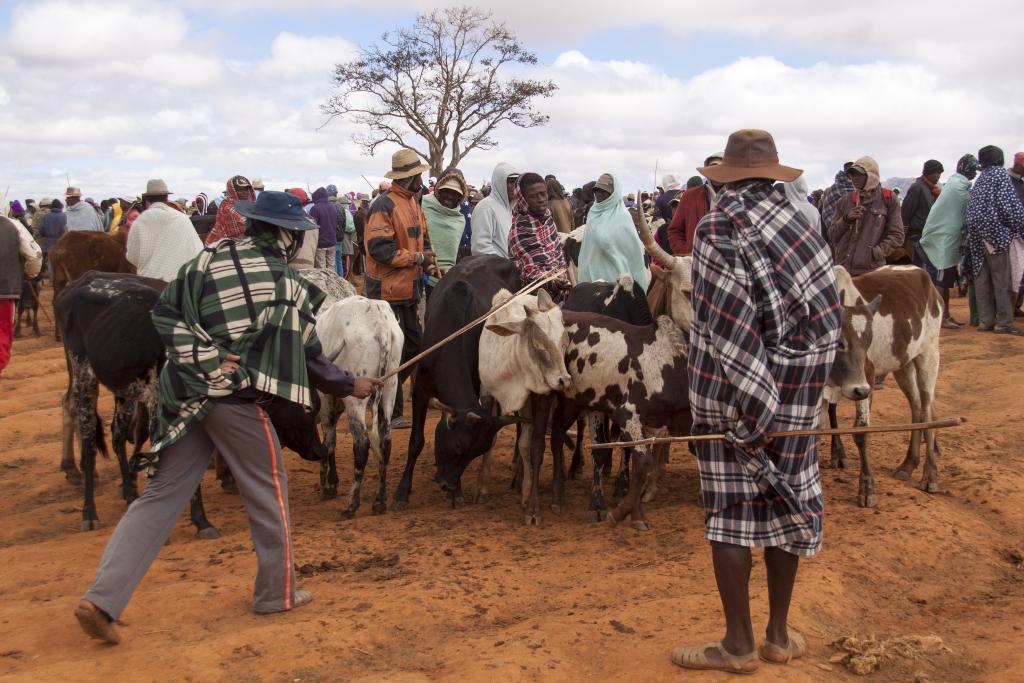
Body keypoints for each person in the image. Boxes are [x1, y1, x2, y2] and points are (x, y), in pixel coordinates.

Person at [73, 191, 380, 645]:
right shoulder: (287, 285)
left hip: (184, 394)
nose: (299, 241)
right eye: (296, 234)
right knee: (270, 490)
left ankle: (101, 598)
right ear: (284, 234)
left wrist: (204, 357)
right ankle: (276, 592)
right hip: (234, 401)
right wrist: (349, 384)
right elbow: (308, 354)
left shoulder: (206, 259)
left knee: (160, 495)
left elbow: (164, 312)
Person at [672, 129, 840, 675]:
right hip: (798, 392)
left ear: (728, 177)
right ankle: (778, 635)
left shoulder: (718, 226)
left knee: (731, 516)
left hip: (734, 396)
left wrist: (755, 413)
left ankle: (739, 646)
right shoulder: (805, 221)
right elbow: (826, 316)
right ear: (773, 173)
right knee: (787, 503)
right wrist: (793, 399)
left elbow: (731, 329)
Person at [365, 149, 435, 428]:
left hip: (409, 289)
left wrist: (427, 259)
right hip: (386, 292)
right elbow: (380, 249)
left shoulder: (413, 203)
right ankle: (390, 412)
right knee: (394, 350)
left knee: (413, 347)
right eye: (419, 174)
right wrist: (417, 259)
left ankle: (383, 396)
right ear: (411, 177)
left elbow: (422, 238)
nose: (422, 179)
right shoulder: (384, 205)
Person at [964, 145, 1024, 335]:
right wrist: (1018, 226)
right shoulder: (1000, 175)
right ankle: (1004, 323)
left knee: (982, 278)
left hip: (975, 235)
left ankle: (986, 321)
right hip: (996, 235)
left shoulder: (980, 179)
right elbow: (1010, 208)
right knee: (1002, 279)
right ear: (1000, 159)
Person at [919, 155, 979, 329]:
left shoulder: (956, 185)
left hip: (945, 240)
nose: (975, 174)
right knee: (940, 281)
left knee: (945, 282)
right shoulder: (957, 187)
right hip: (940, 241)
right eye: (974, 170)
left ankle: (946, 315)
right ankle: (940, 317)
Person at [828, 156, 905, 275]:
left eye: (859, 174)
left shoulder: (888, 199)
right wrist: (846, 219)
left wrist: (876, 253)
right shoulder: (845, 201)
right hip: (843, 270)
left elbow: (897, 235)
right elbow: (832, 235)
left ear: (871, 175)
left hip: (871, 271)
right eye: (852, 175)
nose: (855, 178)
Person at [577, 173, 648, 289]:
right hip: (592, 281)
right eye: (597, 190)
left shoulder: (623, 217)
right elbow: (587, 250)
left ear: (614, 193)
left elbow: (633, 255)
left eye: (604, 191)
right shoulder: (593, 212)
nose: (599, 194)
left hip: (615, 282)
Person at [507, 172, 570, 301]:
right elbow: (531, 272)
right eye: (534, 196)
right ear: (523, 199)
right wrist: (553, 282)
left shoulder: (547, 218)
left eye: (543, 193)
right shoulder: (520, 229)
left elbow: (557, 256)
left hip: (561, 290)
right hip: (534, 300)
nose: (541, 199)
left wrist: (562, 278)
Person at [126, 179, 204, 282]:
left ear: (147, 200)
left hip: (149, 285)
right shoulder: (182, 218)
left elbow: (132, 256)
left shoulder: (139, 222)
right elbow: (198, 251)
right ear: (167, 199)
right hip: (181, 284)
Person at [0, 212, 42, 375]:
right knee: (2, 329)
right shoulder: (14, 225)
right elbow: (34, 256)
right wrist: (29, 275)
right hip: (4, 290)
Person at [421, 168, 469, 294]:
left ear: (461, 196)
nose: (450, 196)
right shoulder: (422, 205)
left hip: (446, 280)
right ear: (438, 190)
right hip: (420, 276)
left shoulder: (459, 220)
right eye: (446, 191)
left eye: (455, 193)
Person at [667, 153, 724, 256]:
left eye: (721, 168)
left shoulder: (737, 196)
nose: (716, 172)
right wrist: (686, 252)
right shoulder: (690, 196)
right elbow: (675, 230)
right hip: (694, 264)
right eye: (713, 167)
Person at [471, 162, 519, 257]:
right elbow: (480, 248)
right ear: (499, 183)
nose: (514, 186)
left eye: (516, 182)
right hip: (495, 269)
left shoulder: (511, 208)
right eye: (510, 181)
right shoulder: (485, 207)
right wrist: (506, 265)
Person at [902, 160, 944, 261]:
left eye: (940, 173)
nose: (938, 176)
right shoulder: (917, 187)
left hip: (927, 234)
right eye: (936, 173)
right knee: (920, 264)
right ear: (929, 172)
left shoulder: (932, 190)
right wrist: (903, 232)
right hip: (917, 235)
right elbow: (906, 210)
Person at [206, 176, 255, 244]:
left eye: (247, 189)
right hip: (230, 242)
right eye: (241, 189)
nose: (245, 192)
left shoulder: (250, 204)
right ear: (233, 191)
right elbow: (243, 224)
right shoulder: (227, 205)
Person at [819, 160, 856, 229]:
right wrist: (838, 228)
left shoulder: (861, 188)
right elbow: (827, 215)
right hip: (840, 232)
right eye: (849, 170)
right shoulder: (835, 189)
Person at [309, 187, 338, 272]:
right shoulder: (332, 207)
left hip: (320, 243)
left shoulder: (315, 208)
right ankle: (332, 285)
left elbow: (312, 227)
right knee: (331, 269)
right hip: (332, 242)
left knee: (321, 271)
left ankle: (323, 286)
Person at [39, 198, 67, 279]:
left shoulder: (46, 216)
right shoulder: (64, 216)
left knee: (51, 263)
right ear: (61, 207)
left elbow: (41, 230)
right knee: (62, 263)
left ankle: (52, 280)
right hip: (62, 243)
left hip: (48, 244)